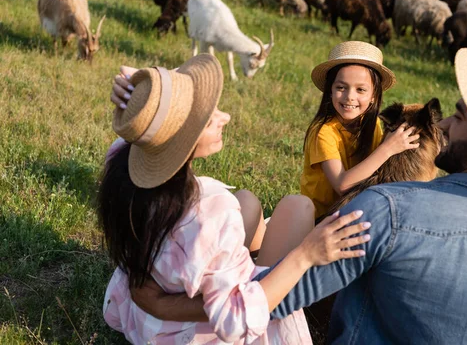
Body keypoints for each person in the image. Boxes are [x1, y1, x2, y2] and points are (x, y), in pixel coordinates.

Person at [130, 49, 467, 344]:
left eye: (459, 118)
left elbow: (282, 295)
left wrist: (159, 303)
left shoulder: (386, 209)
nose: (445, 126)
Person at [99, 54, 371, 344]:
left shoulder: (124, 165)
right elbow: (235, 320)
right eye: (208, 117)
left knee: (248, 201)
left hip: (149, 326)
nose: (224, 117)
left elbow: (143, 129)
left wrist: (143, 93)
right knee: (298, 207)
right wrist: (306, 254)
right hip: (203, 333)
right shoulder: (211, 208)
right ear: (180, 138)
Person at [302, 41, 420, 219]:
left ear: (374, 96)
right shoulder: (323, 133)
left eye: (360, 90)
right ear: (330, 91)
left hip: (355, 212)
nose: (350, 97)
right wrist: (388, 148)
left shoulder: (372, 125)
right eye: (341, 87)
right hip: (319, 220)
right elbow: (342, 185)